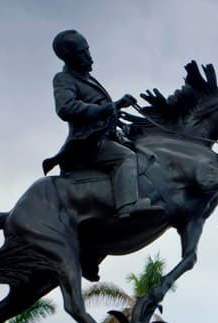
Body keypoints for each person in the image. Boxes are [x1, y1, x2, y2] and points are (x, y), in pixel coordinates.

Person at [43, 30, 154, 218]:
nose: (89, 56)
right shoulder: (64, 79)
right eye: (82, 53)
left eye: (88, 50)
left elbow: (104, 112)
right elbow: (66, 108)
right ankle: (128, 207)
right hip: (87, 143)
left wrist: (117, 115)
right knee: (126, 158)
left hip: (104, 137)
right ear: (69, 56)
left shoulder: (87, 78)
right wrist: (107, 108)